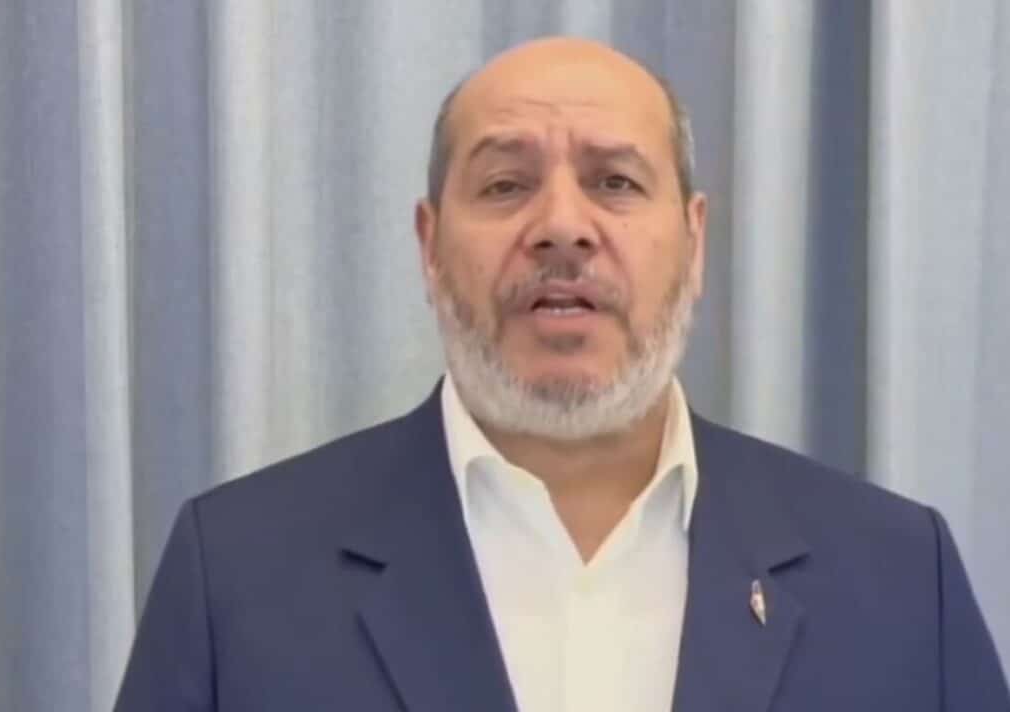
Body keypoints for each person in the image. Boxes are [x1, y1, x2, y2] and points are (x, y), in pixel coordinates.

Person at [115, 37, 1009, 711]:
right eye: (505, 185)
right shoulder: (236, 576)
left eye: (615, 183)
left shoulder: (898, 578)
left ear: (694, 240)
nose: (562, 228)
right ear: (430, 246)